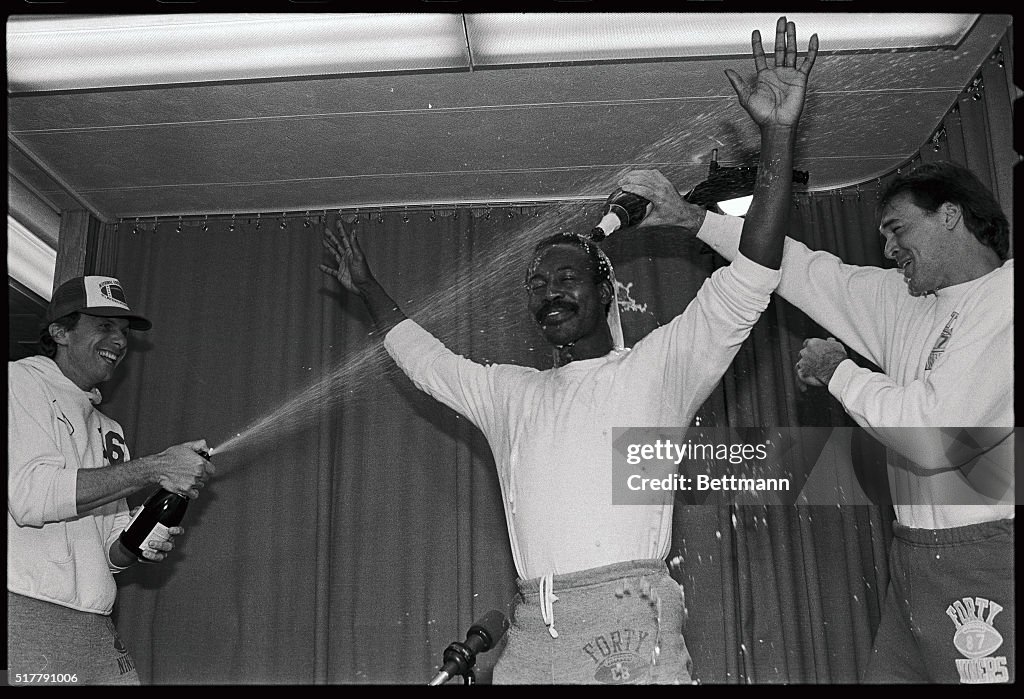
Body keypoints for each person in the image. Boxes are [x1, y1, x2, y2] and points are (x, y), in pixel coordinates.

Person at [318, 18, 817, 684]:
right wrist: (367, 287)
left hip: (630, 630)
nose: (548, 292)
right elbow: (425, 359)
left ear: (605, 290)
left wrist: (779, 136)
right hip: (531, 640)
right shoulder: (511, 394)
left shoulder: (656, 369)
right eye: (535, 283)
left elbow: (755, 269)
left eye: (564, 277)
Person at [619, 161, 1013, 680]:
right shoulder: (906, 300)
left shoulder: (1006, 299)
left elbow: (932, 437)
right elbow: (798, 268)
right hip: (914, 553)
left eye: (897, 230)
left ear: (950, 216)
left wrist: (840, 373)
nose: (889, 250)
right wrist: (691, 217)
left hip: (986, 550)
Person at [8, 274, 215, 685]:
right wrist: (154, 466)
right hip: (26, 610)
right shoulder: (21, 382)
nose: (119, 342)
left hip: (95, 623)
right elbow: (30, 496)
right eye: (104, 326)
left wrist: (139, 537)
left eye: (123, 332)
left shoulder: (109, 428)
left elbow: (107, 553)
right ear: (60, 331)